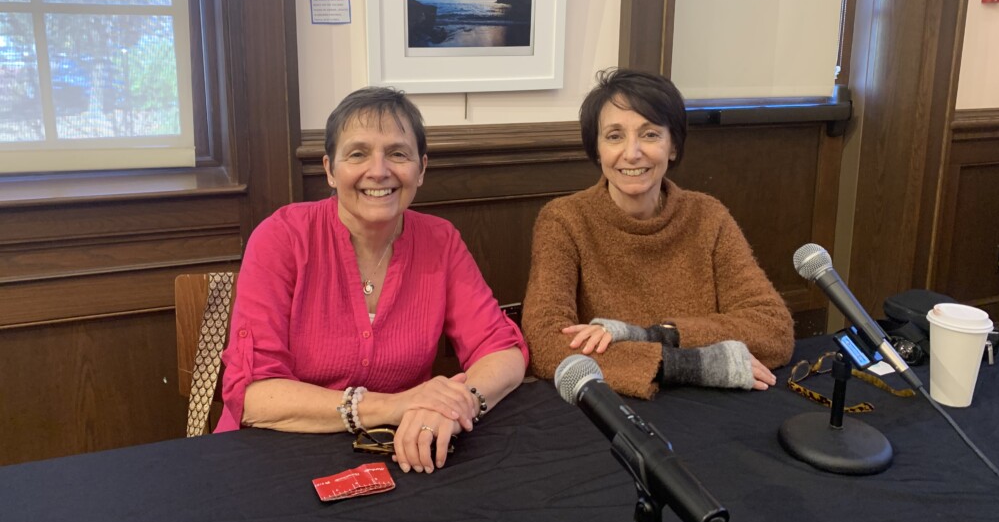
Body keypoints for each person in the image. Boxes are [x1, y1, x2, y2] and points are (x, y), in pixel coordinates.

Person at [216, 87, 529, 475]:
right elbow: (253, 397)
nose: (379, 170)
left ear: (422, 168)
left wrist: (459, 402)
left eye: (398, 153)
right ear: (330, 169)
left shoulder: (440, 240)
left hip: (398, 457)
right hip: (274, 460)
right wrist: (394, 406)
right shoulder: (282, 238)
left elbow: (503, 351)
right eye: (358, 153)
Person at [522, 68, 793, 399]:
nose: (632, 153)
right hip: (612, 408)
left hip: (713, 406)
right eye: (614, 136)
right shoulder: (564, 220)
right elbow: (546, 342)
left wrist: (654, 336)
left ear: (673, 146)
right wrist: (688, 364)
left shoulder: (707, 215)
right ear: (597, 150)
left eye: (650, 135)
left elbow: (773, 327)